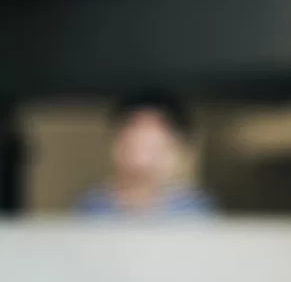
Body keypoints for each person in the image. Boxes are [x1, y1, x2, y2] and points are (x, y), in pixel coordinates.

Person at [76, 91, 215, 218]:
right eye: (132, 146)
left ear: (178, 148)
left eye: (153, 148)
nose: (143, 160)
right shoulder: (93, 206)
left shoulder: (196, 209)